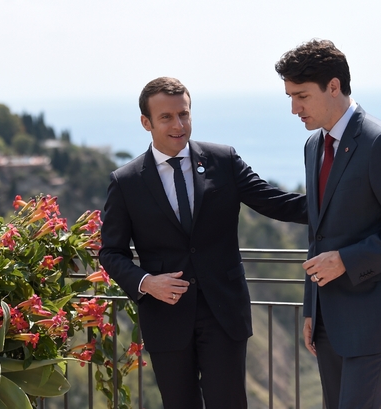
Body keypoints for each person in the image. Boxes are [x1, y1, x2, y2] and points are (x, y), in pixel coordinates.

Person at [99, 77, 307, 409]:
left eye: (184, 114)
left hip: (224, 312)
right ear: (146, 123)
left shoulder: (223, 160)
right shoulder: (126, 182)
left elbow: (275, 202)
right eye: (166, 117)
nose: (178, 124)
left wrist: (338, 209)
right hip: (166, 317)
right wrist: (146, 282)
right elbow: (110, 252)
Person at [274, 39, 381, 409]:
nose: (293, 108)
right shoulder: (313, 146)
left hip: (374, 316)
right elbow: (318, 231)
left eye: (300, 95)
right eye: (289, 96)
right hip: (328, 318)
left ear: (333, 86)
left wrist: (346, 260)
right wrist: (310, 308)